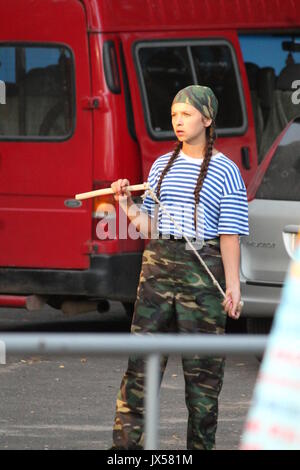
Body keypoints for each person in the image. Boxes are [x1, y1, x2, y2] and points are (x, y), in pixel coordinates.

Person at [110, 85, 249, 450]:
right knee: (140, 371)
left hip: (202, 275)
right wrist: (126, 206)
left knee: (202, 380)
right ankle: (123, 453)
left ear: (207, 118)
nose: (178, 122)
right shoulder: (160, 166)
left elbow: (230, 236)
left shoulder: (226, 171)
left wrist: (232, 287)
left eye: (186, 114)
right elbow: (149, 228)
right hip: (157, 270)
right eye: (174, 115)